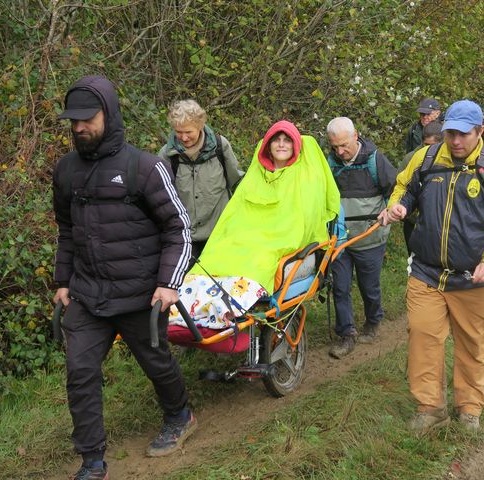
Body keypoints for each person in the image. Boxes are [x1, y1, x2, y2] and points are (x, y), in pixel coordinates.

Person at [52, 75, 195, 480]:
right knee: (80, 373)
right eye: (73, 121)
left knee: (156, 361)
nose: (79, 127)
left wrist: (168, 283)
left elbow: (178, 227)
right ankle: (92, 460)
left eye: (87, 119)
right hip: (87, 293)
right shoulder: (65, 171)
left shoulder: (144, 167)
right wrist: (63, 281)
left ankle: (180, 415)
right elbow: (66, 229)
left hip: (140, 293)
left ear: (109, 114)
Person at [379, 100, 484, 434]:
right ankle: (430, 408)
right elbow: (403, 186)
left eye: (463, 134)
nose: (455, 141)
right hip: (427, 272)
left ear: (479, 132)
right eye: (450, 133)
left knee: (472, 345)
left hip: (475, 279)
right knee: (423, 338)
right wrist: (398, 206)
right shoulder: (427, 157)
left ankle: (469, 409)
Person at [170, 120, 340, 329]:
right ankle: (190, 312)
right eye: (276, 140)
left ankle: (228, 309)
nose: (281, 144)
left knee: (260, 259)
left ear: (295, 145)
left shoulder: (304, 177)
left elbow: (302, 219)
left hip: (278, 241)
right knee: (218, 253)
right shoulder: (257, 175)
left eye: (287, 140)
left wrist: (275, 239)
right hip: (248, 239)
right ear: (267, 145)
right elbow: (236, 213)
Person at [325, 117, 396, 359]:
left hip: (370, 238)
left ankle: (373, 320)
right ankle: (346, 334)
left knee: (369, 286)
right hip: (341, 240)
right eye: (335, 147)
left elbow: (396, 190)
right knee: (340, 287)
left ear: (356, 135)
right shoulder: (330, 164)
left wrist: (390, 210)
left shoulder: (375, 160)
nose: (340, 151)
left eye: (343, 145)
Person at [159, 99, 242, 262]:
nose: (183, 137)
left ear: (200, 125)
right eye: (178, 131)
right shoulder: (167, 154)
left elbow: (235, 181)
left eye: (188, 132)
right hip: (184, 236)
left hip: (219, 233)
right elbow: (160, 195)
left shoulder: (220, 147)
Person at [399, 121, 443, 255]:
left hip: (441, 224)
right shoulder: (411, 158)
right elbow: (399, 187)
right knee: (414, 261)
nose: (428, 149)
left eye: (433, 146)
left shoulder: (450, 161)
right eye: (426, 145)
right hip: (414, 223)